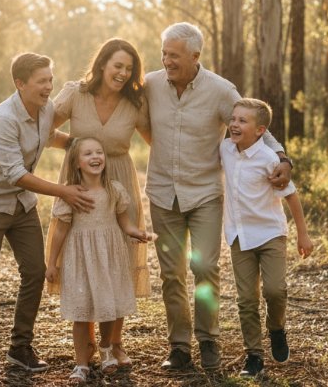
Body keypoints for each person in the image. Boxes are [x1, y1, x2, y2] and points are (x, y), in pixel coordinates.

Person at [145, 22, 293, 371]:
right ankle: (179, 347)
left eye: (174, 55)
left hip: (204, 196)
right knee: (171, 275)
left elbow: (259, 129)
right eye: (164, 53)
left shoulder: (221, 91)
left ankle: (208, 339)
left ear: (195, 56)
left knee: (206, 268)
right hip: (162, 193)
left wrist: (283, 158)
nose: (166, 60)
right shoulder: (150, 85)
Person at [0, 53, 95, 373]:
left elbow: (50, 136)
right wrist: (64, 191)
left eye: (50, 79)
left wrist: (79, 145)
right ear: (20, 83)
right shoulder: (4, 118)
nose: (49, 87)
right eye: (42, 81)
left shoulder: (45, 111)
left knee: (34, 271)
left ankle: (20, 347)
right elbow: (15, 174)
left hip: (22, 205)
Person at [45, 38, 152, 366]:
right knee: (83, 258)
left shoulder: (135, 102)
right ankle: (86, 347)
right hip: (79, 182)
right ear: (102, 63)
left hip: (119, 182)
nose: (122, 73)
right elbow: (43, 130)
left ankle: (113, 344)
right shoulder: (75, 93)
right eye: (117, 65)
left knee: (116, 262)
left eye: (129, 68)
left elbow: (156, 140)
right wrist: (75, 147)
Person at [45, 137, 156, 383]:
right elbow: (61, 229)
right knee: (81, 310)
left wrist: (136, 232)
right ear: (76, 163)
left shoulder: (114, 189)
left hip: (109, 256)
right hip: (82, 257)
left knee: (109, 304)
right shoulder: (71, 193)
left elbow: (124, 221)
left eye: (99, 152)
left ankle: (106, 349)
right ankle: (81, 364)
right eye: (88, 154)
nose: (96, 157)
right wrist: (52, 263)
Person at [221, 98, 313, 378]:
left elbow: (292, 196)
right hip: (239, 236)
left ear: (260, 130)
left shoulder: (270, 159)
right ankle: (254, 355)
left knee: (275, 290)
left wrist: (303, 234)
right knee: (246, 299)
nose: (235, 125)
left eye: (242, 121)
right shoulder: (224, 149)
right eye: (233, 119)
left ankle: (276, 328)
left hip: (271, 234)